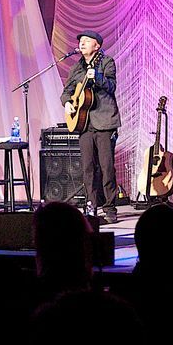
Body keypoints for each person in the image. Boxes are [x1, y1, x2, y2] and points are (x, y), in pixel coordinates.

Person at [64, 31, 120, 224]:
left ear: (97, 46)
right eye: (80, 41)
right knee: (88, 167)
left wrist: (97, 76)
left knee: (106, 167)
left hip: (104, 121)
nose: (82, 43)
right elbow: (67, 92)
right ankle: (91, 205)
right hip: (84, 123)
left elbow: (112, 86)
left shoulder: (106, 62)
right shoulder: (76, 67)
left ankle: (110, 207)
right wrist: (67, 103)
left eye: (87, 41)